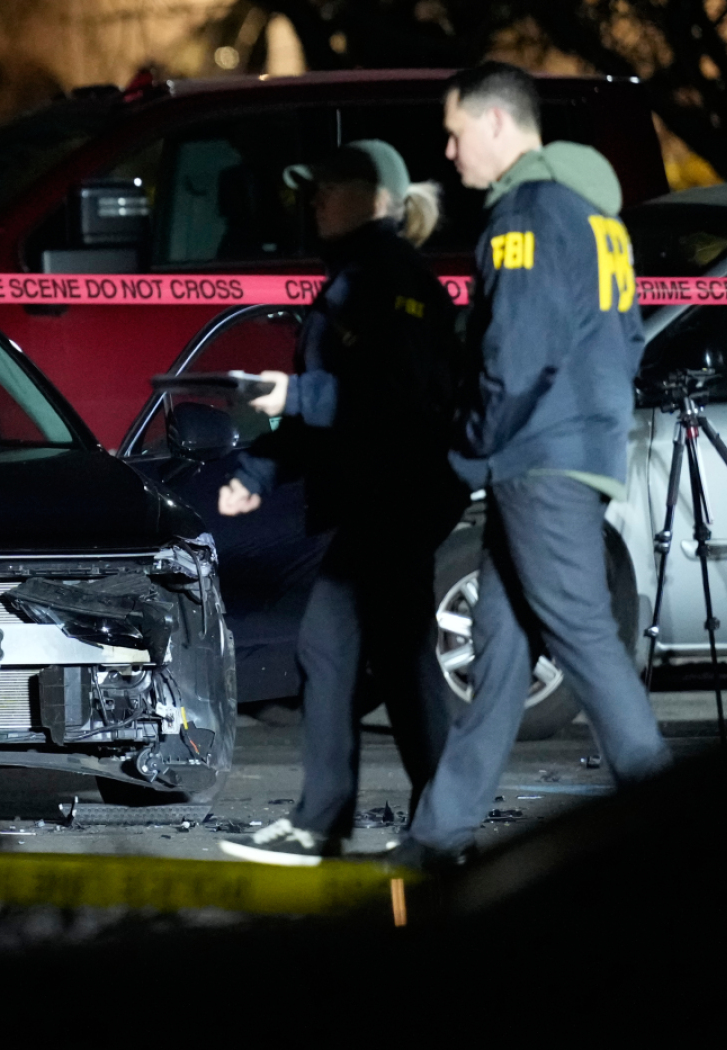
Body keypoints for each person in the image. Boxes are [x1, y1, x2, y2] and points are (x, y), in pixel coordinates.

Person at [392, 63, 673, 870]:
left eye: (455, 133)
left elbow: (514, 356)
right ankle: (437, 837)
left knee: (582, 636)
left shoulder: (528, 215)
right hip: (571, 450)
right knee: (500, 649)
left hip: (537, 457)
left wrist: (467, 447)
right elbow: (625, 339)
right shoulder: (595, 218)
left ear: (495, 123)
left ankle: (673, 826)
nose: (449, 153)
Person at [218, 139, 465, 866]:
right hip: (382, 496)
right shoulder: (360, 275)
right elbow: (334, 413)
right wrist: (259, 471)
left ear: (377, 199)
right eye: (314, 188)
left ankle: (328, 823)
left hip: (395, 494)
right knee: (396, 658)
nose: (316, 200)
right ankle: (433, 828)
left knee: (335, 648)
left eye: (331, 187)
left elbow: (391, 396)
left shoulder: (387, 278)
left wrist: (295, 394)